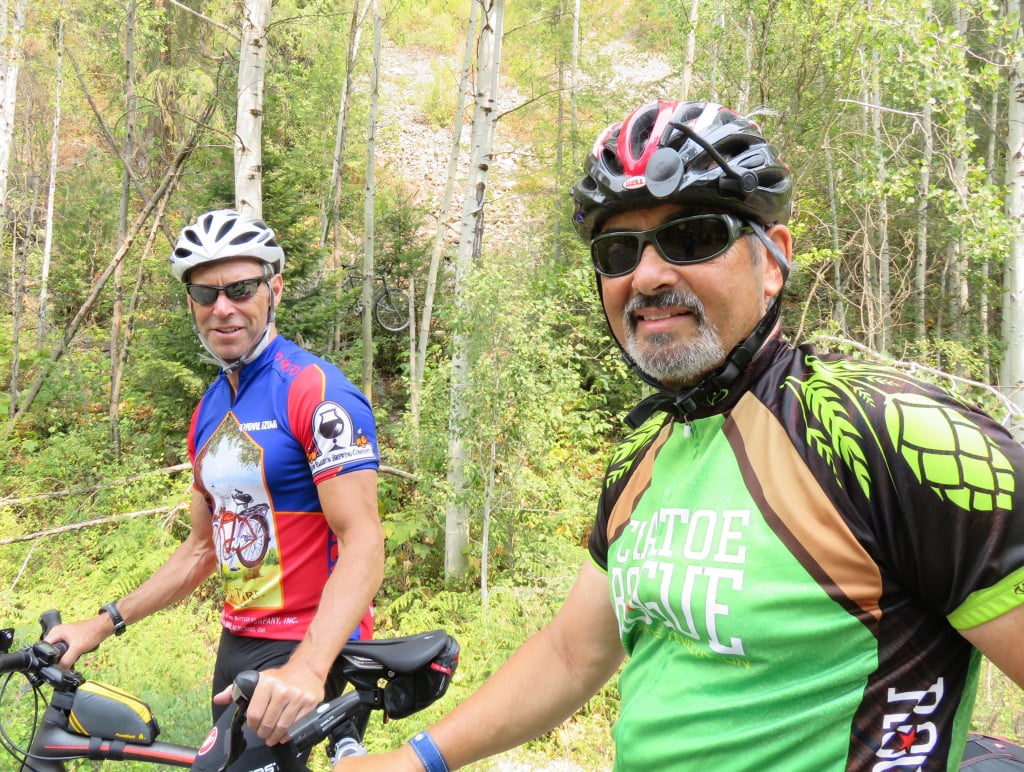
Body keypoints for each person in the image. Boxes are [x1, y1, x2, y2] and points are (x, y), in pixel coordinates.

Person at [335, 100, 1024, 771]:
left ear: (773, 260)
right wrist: (416, 759)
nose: (649, 275)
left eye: (693, 237)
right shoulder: (646, 452)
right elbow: (573, 654)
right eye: (619, 249)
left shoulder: (890, 435)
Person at [46, 209, 385, 766]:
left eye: (241, 288)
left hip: (306, 646)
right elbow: (203, 549)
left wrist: (309, 666)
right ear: (191, 303)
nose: (222, 307)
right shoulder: (210, 408)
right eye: (206, 293)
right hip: (237, 646)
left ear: (274, 288)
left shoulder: (314, 391)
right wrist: (101, 624)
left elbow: (365, 543)